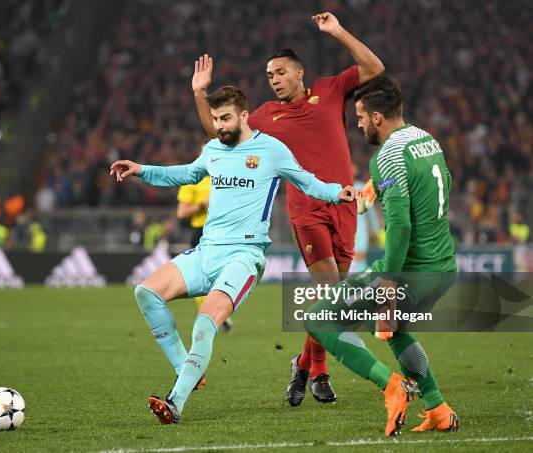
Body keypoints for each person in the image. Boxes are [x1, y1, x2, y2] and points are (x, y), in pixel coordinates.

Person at [110, 86, 358, 424]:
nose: (219, 125)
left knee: (205, 322)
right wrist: (141, 169)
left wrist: (336, 192)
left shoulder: (271, 149)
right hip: (207, 251)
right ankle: (189, 370)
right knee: (146, 293)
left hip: (244, 256)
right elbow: (184, 174)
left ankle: (175, 402)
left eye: (225, 118)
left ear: (243, 116)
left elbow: (307, 182)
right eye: (215, 119)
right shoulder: (213, 148)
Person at [191, 11, 384, 405]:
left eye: (279, 72)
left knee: (332, 302)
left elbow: (374, 67)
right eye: (269, 75)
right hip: (305, 208)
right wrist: (200, 93)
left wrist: (337, 31)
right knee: (331, 293)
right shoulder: (263, 116)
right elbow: (218, 131)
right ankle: (323, 373)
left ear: (299, 73)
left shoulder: (330, 90)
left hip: (343, 205)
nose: (273, 79)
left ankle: (303, 363)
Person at [304, 76, 460, 436]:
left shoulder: (386, 156)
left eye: (359, 117)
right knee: (399, 331)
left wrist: (388, 285)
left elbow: (401, 227)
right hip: (443, 268)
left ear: (376, 117)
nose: (357, 125)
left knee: (320, 319)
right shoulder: (426, 139)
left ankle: (393, 388)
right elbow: (445, 182)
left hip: (409, 272)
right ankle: (437, 407)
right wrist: (382, 187)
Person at [176, 176, 234, 332]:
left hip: (223, 230)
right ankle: (211, 314)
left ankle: (215, 313)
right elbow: (181, 212)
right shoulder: (192, 180)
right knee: (203, 277)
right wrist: (202, 205)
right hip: (201, 232)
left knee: (223, 274)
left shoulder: (226, 175)